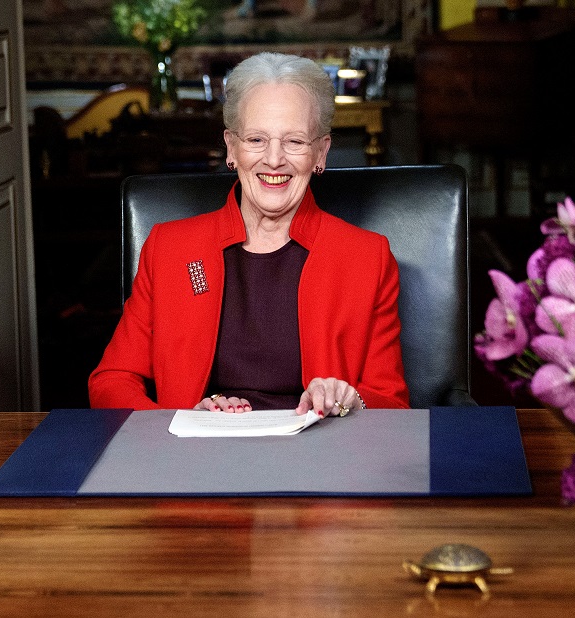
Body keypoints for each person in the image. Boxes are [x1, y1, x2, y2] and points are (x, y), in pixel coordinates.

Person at [88, 52, 409, 416]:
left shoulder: (367, 257)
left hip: (318, 447)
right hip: (199, 447)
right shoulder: (170, 249)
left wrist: (352, 401)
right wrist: (179, 424)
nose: (273, 159)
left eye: (295, 142)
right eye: (256, 139)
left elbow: (393, 402)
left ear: (321, 153)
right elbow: (112, 380)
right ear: (232, 148)